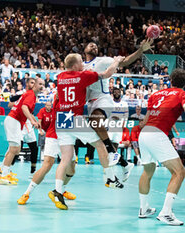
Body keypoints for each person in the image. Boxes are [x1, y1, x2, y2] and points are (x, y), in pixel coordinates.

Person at [138, 69, 185, 225]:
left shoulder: (156, 95)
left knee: (148, 170)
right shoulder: (183, 95)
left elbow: (144, 121)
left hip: (144, 133)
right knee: (179, 172)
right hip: (157, 134)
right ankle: (166, 212)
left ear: (170, 80)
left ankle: (143, 208)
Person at [50, 54, 125, 210]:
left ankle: (58, 190)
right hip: (74, 118)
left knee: (65, 159)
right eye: (81, 63)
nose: (83, 65)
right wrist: (116, 61)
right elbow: (106, 74)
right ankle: (110, 178)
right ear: (76, 64)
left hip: (61, 119)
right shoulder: (82, 75)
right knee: (100, 143)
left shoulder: (61, 77)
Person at [84, 39, 154, 173]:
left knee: (94, 120)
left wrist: (140, 50)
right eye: (90, 44)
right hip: (90, 102)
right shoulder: (81, 65)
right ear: (84, 49)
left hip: (103, 99)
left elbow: (125, 61)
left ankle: (111, 152)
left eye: (95, 46)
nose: (93, 45)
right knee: (95, 138)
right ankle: (124, 163)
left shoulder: (102, 61)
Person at [17, 96, 76, 205]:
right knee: (47, 165)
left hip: (68, 138)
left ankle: (61, 191)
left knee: (72, 169)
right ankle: (26, 193)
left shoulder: (78, 102)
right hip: (53, 136)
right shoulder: (60, 99)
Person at [0, 77, 45, 185]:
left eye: (43, 84)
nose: (42, 86)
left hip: (15, 121)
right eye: (39, 84)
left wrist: (34, 121)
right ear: (34, 85)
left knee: (15, 149)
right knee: (14, 149)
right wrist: (33, 121)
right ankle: (3, 175)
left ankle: (5, 172)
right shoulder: (31, 95)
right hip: (13, 120)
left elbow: (26, 110)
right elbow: (24, 108)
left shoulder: (30, 95)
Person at [109, 87, 134, 182]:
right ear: (112, 93)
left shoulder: (124, 103)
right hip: (110, 126)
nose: (116, 93)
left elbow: (126, 116)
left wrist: (124, 123)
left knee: (115, 145)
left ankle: (115, 164)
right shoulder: (110, 102)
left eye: (118, 91)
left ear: (120, 93)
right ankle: (123, 164)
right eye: (115, 91)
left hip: (119, 128)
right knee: (108, 145)